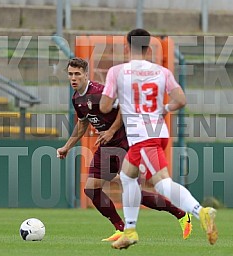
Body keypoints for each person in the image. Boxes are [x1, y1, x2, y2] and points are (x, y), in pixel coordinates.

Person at [100, 28, 218, 249]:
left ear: (127, 47)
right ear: (148, 48)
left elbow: (105, 106)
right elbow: (180, 100)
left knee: (162, 183)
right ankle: (130, 230)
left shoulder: (117, 72)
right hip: (157, 131)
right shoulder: (161, 71)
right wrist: (163, 108)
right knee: (127, 176)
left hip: (144, 137)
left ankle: (200, 212)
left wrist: (119, 102)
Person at [57, 57, 193, 242]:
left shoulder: (99, 92)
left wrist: (111, 131)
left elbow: (124, 106)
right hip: (106, 146)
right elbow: (82, 124)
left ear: (86, 74)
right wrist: (66, 147)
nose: (74, 78)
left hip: (125, 142)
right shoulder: (76, 98)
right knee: (91, 189)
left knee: (135, 193)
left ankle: (181, 214)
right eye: (70, 74)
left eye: (77, 74)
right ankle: (120, 228)